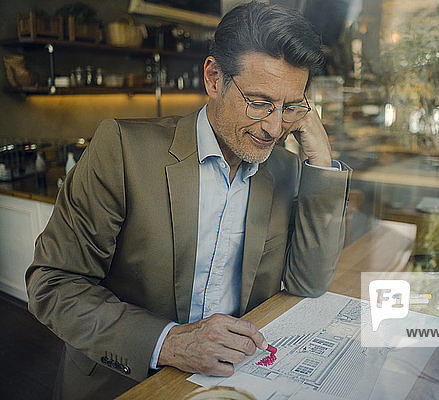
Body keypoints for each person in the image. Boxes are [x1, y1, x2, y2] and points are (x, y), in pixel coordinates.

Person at [26, 2, 351, 399]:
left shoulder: (283, 169)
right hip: (129, 382)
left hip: (234, 381)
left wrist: (319, 159)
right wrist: (171, 341)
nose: (273, 127)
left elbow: (308, 283)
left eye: (290, 107)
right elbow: (54, 283)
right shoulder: (123, 149)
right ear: (214, 78)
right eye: (259, 101)